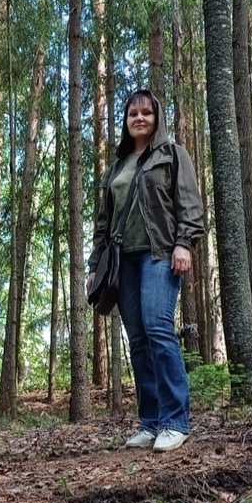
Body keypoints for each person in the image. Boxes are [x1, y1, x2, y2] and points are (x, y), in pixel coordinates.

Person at [87, 89, 204, 452]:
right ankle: (151, 422)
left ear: (157, 119)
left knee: (158, 328)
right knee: (138, 339)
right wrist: (95, 266)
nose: (139, 118)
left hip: (160, 254)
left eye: (146, 113)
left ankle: (176, 421)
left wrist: (184, 243)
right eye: (132, 113)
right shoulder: (116, 167)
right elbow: (103, 224)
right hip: (123, 260)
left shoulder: (172, 154)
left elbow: (190, 203)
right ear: (125, 121)